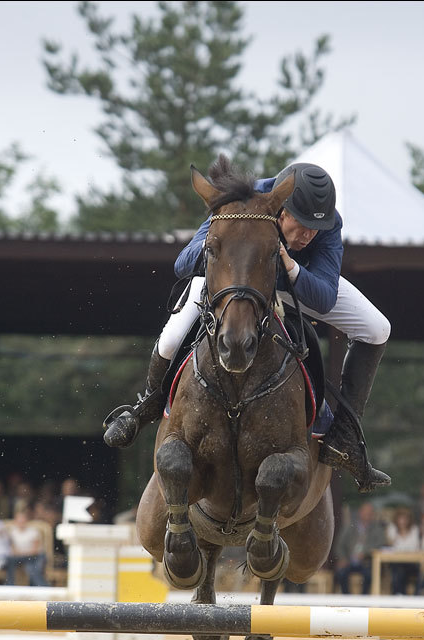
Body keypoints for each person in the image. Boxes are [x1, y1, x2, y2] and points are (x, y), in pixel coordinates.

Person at [103, 161, 391, 492]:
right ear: (280, 209)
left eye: (315, 228)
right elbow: (183, 264)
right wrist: (222, 239)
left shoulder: (328, 224)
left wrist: (290, 265)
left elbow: (325, 297)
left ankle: (345, 438)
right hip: (234, 284)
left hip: (298, 283)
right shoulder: (240, 202)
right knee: (169, 341)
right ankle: (145, 407)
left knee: (377, 328)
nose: (308, 234)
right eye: (302, 225)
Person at [332, 502, 387, 594]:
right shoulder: (349, 527)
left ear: (373, 515)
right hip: (349, 561)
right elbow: (339, 545)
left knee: (370, 575)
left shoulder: (378, 529)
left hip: (366, 562)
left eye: (370, 513)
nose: (367, 515)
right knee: (341, 573)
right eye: (365, 512)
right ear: (360, 512)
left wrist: (366, 552)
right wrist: (343, 558)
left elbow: (381, 545)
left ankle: (363, 600)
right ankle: (347, 599)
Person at [5, 506, 50, 588]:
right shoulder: (12, 532)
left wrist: (21, 553)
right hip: (22, 556)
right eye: (19, 520)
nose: (21, 522)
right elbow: (12, 549)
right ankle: (9, 585)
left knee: (31, 568)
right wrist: (21, 553)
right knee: (9, 560)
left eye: (22, 520)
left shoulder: (33, 531)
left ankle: (43, 587)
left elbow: (35, 550)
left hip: (35, 556)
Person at [385, 507, 422, 594]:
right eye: (400, 518)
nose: (403, 521)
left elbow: (414, 547)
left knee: (420, 573)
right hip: (396, 562)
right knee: (398, 571)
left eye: (405, 518)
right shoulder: (392, 529)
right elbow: (391, 546)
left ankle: (417, 599)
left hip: (411, 562)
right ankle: (398, 596)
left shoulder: (414, 530)